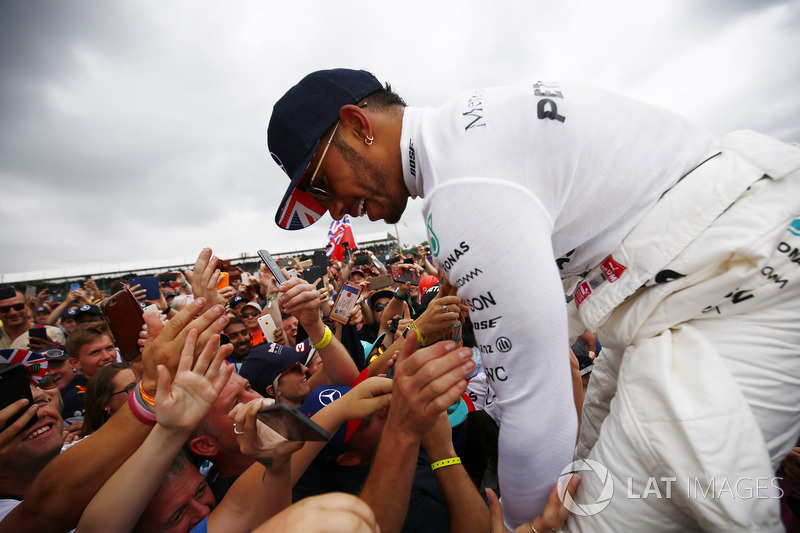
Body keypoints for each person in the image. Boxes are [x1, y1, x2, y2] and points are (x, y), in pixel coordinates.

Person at [268, 68, 800, 530]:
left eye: (318, 186)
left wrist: (520, 526)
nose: (333, 212)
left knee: (590, 524)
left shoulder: (461, 189)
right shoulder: (463, 134)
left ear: (358, 126)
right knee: (586, 480)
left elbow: (534, 405)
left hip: (736, 282)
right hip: (698, 266)